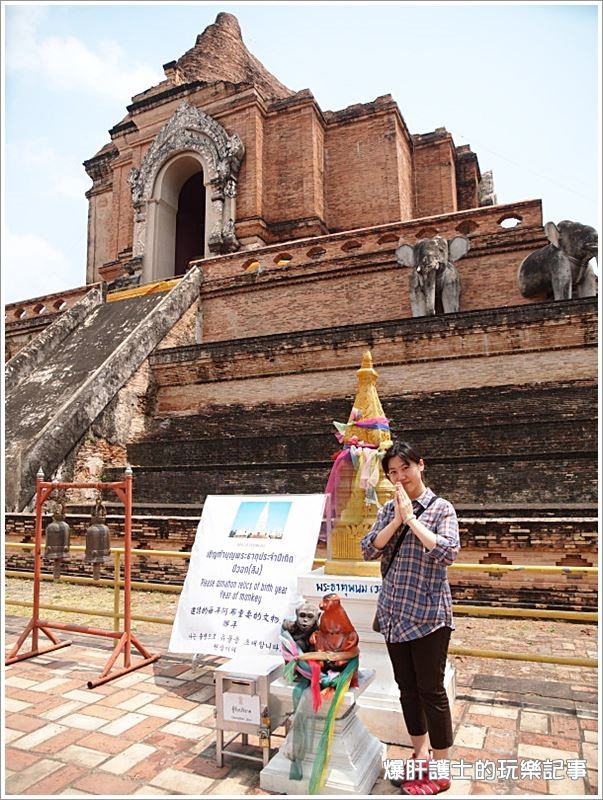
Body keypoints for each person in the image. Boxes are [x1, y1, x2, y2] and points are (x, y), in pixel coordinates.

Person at [361, 441, 460, 796]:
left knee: (431, 690)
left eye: (405, 468)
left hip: (430, 614)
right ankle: (419, 755)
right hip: (394, 611)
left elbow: (447, 552)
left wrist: (414, 520)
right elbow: (368, 547)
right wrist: (398, 519)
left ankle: (442, 764)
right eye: (392, 473)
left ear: (421, 465)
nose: (400, 477)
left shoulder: (441, 508)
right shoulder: (389, 510)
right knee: (406, 689)